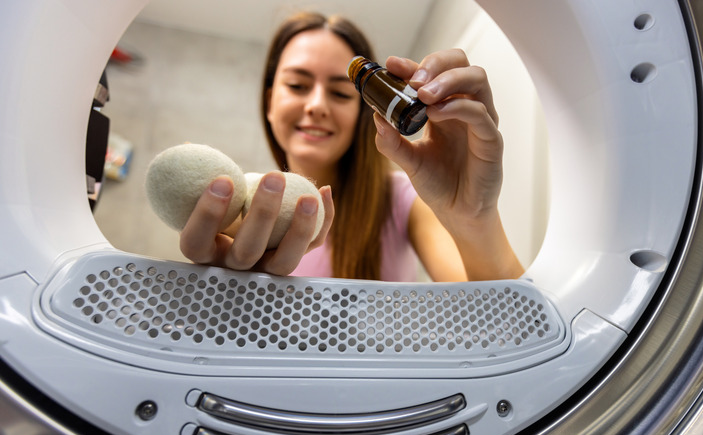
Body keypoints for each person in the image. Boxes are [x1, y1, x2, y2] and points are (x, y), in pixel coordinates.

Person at [179, 11, 524, 282]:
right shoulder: (242, 208)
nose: (316, 105)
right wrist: (224, 291)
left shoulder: (404, 199)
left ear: (366, 110)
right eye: (298, 85)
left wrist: (473, 217)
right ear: (270, 102)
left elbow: (510, 327)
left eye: (340, 92)